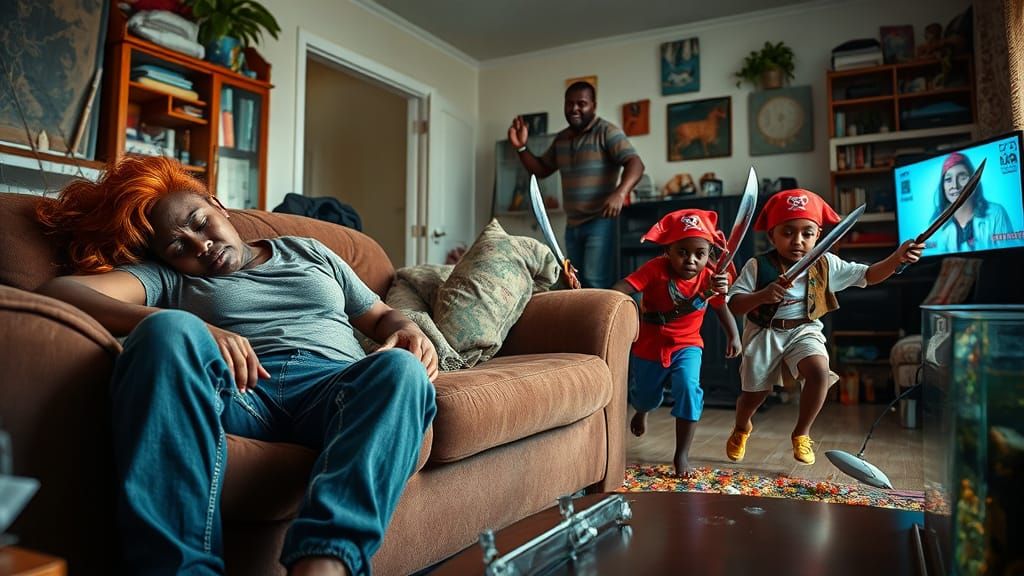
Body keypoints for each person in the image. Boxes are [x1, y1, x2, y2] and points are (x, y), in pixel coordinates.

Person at [34, 155, 438, 576]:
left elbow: (378, 315)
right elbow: (61, 292)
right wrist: (198, 327)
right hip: (242, 394)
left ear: (218, 205)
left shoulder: (308, 250)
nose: (200, 245)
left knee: (402, 370)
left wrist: (407, 327)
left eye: (200, 222)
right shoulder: (169, 278)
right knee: (168, 331)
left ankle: (324, 565)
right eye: (178, 247)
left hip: (333, 388)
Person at [725, 189, 923, 466]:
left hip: (804, 330)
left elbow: (869, 275)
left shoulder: (826, 263)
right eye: (787, 233)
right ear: (772, 236)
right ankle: (742, 425)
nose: (798, 241)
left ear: (818, 235)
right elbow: (735, 304)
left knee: (819, 372)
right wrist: (762, 296)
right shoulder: (757, 265)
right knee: (754, 395)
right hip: (764, 332)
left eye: (807, 233)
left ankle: (802, 433)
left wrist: (897, 258)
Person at [611, 209, 740, 477]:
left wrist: (734, 335)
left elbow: (721, 307)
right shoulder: (654, 269)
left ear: (708, 254)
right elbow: (624, 286)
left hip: (688, 345)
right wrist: (607, 300)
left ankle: (681, 455)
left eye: (699, 254)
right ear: (668, 250)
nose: (691, 260)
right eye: (682, 252)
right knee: (644, 395)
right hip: (650, 346)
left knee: (689, 389)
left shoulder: (710, 278)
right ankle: (643, 410)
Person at [509, 81, 645, 289]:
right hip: (572, 225)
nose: (574, 108)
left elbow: (635, 163)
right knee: (575, 283)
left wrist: (620, 193)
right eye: (569, 103)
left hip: (600, 222)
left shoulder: (606, 131)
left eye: (581, 103)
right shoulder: (561, 139)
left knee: (594, 280)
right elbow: (541, 170)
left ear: (594, 106)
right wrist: (521, 148)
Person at [929, 152, 1012, 253]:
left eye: (962, 177)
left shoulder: (997, 214)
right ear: (943, 187)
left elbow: (1010, 257)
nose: (955, 185)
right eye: (948, 179)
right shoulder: (936, 226)